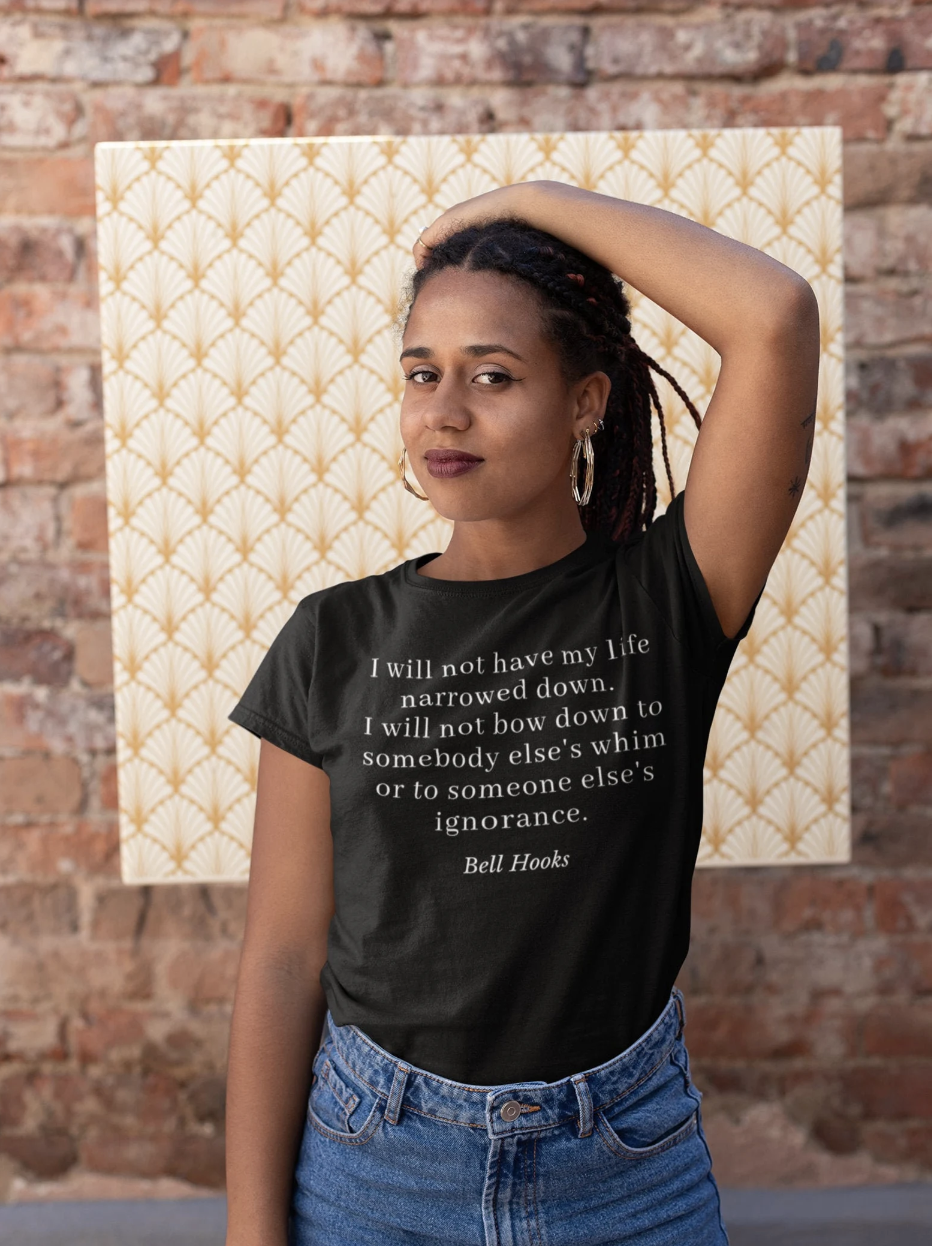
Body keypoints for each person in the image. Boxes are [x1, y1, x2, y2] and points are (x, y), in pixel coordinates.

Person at [223, 179, 820, 1246]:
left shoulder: (668, 600)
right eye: (422, 374)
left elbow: (770, 315)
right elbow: (280, 957)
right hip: (375, 1168)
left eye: (492, 376)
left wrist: (531, 200)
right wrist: (251, 1231)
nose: (443, 413)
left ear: (585, 400)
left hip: (624, 1169)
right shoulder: (331, 639)